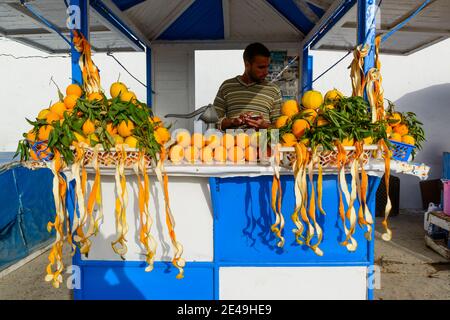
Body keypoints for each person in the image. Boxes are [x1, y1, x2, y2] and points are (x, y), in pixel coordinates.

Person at [213, 43, 282, 131]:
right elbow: (214, 122)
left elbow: (280, 128)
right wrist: (232, 121)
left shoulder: (274, 90)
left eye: (267, 66)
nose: (266, 72)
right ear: (247, 65)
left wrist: (264, 125)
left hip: (263, 144)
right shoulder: (227, 86)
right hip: (233, 144)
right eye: (261, 67)